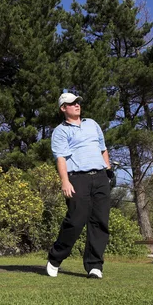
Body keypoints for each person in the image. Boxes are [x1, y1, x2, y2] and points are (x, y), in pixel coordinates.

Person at [46, 92, 112, 279]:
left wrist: (108, 171)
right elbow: (61, 158)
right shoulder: (61, 131)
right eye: (72, 103)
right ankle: (55, 258)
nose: (77, 105)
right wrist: (65, 181)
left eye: (77, 102)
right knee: (75, 220)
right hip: (77, 178)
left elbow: (102, 148)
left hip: (99, 176)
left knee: (99, 221)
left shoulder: (92, 124)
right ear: (63, 108)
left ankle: (94, 266)